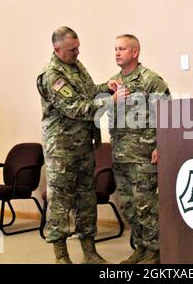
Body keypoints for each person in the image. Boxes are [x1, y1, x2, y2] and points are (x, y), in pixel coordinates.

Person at [36, 26, 128, 264]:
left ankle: (89, 251)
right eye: (72, 49)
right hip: (62, 150)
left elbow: (87, 94)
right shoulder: (52, 75)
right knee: (60, 201)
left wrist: (105, 87)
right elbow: (76, 108)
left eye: (78, 47)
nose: (77, 52)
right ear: (57, 49)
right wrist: (111, 100)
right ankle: (61, 256)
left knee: (85, 199)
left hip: (83, 146)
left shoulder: (76, 66)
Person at [107, 34, 170, 264]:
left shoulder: (150, 80)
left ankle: (156, 251)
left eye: (122, 48)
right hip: (120, 155)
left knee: (146, 206)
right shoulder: (114, 82)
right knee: (128, 206)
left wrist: (160, 144)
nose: (116, 52)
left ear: (135, 52)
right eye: (115, 48)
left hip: (143, 155)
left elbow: (167, 115)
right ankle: (142, 248)